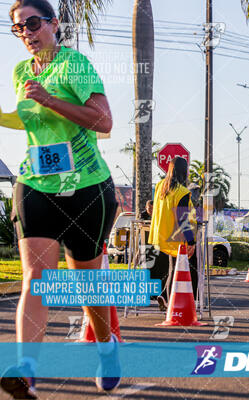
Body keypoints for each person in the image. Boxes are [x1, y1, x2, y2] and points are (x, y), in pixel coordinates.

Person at [1, 1, 120, 397]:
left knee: (87, 286)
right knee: (35, 278)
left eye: (33, 24)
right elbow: (29, 119)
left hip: (85, 187)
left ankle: (106, 349)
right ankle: (26, 369)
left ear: (53, 24)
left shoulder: (74, 65)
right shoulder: (21, 72)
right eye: (18, 28)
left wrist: (51, 99)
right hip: (36, 182)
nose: (26, 33)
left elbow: (103, 121)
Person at [148, 157, 196, 311]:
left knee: (173, 267)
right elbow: (183, 220)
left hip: (159, 235)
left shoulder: (161, 186)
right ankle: (172, 300)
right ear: (184, 171)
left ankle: (165, 296)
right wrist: (192, 241)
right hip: (175, 238)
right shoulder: (182, 192)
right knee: (178, 268)